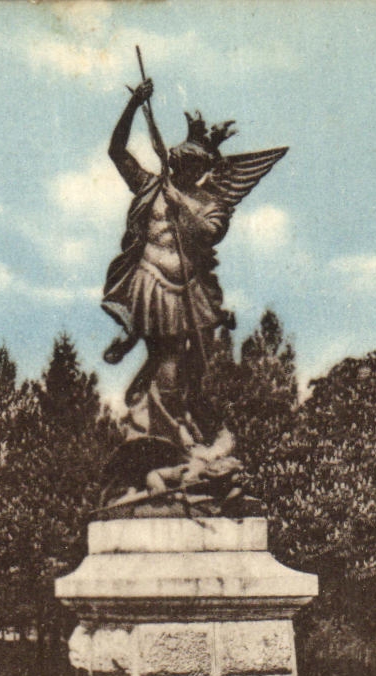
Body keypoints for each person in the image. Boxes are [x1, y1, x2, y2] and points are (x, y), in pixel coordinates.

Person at [101, 76, 286, 450]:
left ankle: (166, 417)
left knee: (193, 368)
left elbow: (208, 233)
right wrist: (134, 105)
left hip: (192, 290)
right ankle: (165, 434)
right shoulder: (149, 186)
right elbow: (116, 152)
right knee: (168, 357)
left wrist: (177, 197)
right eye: (178, 162)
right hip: (152, 283)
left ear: (200, 170)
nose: (181, 168)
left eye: (190, 166)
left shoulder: (210, 203)